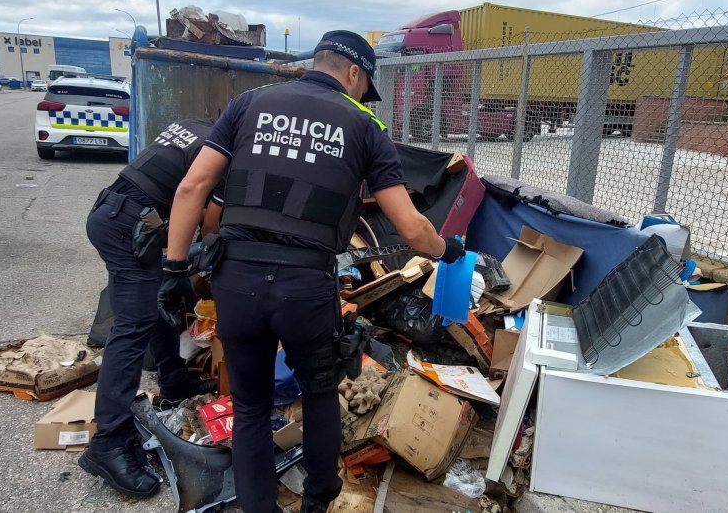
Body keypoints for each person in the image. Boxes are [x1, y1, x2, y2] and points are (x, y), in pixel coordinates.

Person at [160, 31, 465, 513]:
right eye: (365, 87)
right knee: (319, 391)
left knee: (252, 404)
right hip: (305, 287)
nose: (363, 96)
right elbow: (411, 228)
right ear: (353, 73)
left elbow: (192, 186)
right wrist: (447, 249)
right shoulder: (365, 126)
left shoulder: (246, 104)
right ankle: (317, 503)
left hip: (236, 279)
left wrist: (174, 268)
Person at [78, 117, 223, 499]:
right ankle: (109, 442)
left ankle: (175, 383)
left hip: (119, 213)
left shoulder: (197, 126)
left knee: (160, 303)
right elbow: (209, 223)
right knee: (132, 326)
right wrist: (207, 261)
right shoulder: (225, 148)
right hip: (128, 227)